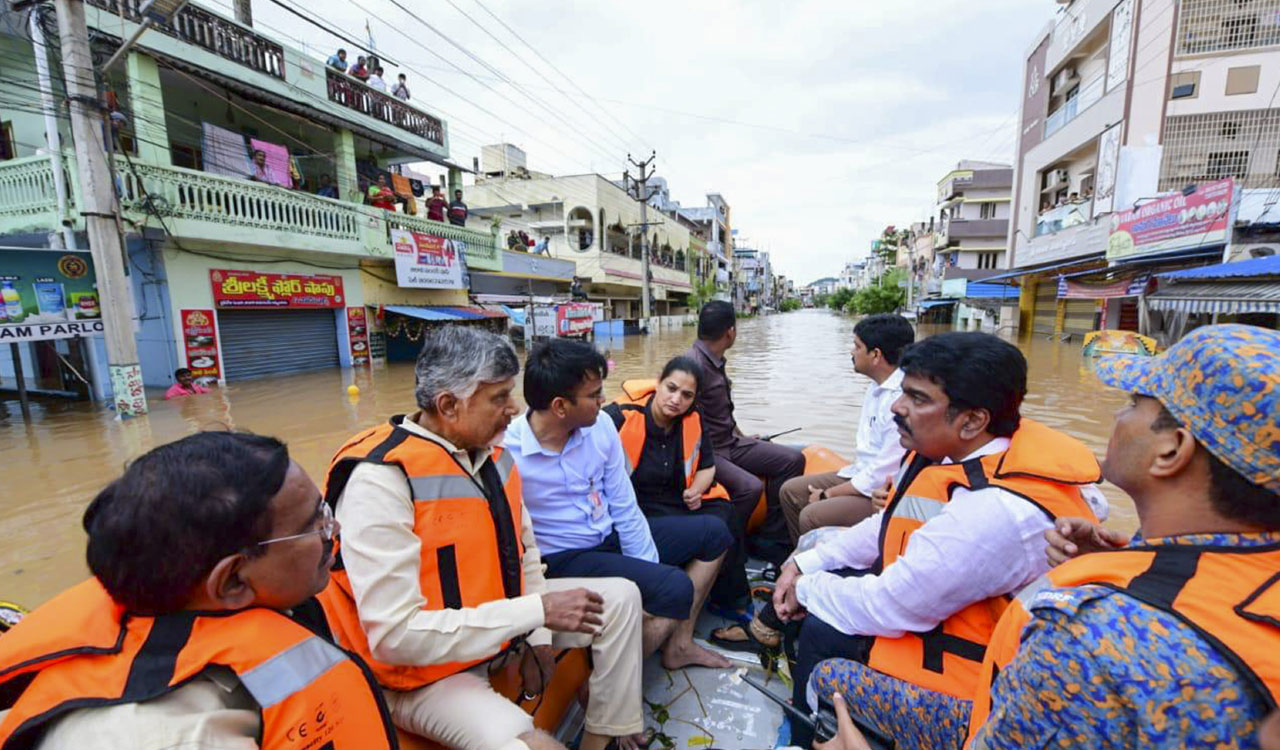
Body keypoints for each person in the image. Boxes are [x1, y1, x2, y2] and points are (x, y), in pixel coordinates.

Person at [814, 324, 1280, 750]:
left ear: (1172, 449)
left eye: (1135, 403)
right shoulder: (1240, 567)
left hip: (972, 698)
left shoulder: (1087, 639)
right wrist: (1123, 560)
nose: (1118, 416)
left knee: (827, 672)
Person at [318, 327, 646, 750]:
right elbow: (395, 636)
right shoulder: (380, 481)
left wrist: (539, 637)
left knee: (621, 598)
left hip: (495, 630)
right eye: (499, 398)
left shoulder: (494, 455)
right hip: (427, 676)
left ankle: (601, 742)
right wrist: (535, 613)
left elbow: (526, 555)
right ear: (449, 405)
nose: (515, 409)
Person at [774, 332, 1106, 748]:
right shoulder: (963, 457)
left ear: (972, 420)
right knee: (819, 562)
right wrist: (806, 565)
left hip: (978, 692)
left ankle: (810, 735)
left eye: (917, 398)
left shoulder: (992, 511)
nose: (897, 406)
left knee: (821, 630)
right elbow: (891, 524)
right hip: (947, 608)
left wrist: (803, 588)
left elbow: (888, 605)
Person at [0, 432, 398, 750]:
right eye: (316, 524)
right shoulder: (170, 736)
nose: (335, 532)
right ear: (232, 581)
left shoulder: (182, 591)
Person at [506, 339, 734, 671]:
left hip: (607, 535)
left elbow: (624, 503)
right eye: (594, 395)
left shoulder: (599, 428)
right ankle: (608, 679)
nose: (603, 401)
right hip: (564, 557)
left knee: (715, 532)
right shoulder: (507, 450)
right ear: (559, 406)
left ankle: (679, 646)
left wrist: (648, 573)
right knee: (674, 586)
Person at [686, 301, 806, 584]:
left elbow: (721, 413)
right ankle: (728, 549)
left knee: (792, 460)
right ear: (731, 332)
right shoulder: (693, 365)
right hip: (709, 451)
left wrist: (741, 435)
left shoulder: (714, 360)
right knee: (749, 488)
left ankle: (772, 539)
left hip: (731, 442)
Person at [780, 314, 914, 540]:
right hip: (861, 472)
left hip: (883, 490)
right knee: (790, 491)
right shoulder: (876, 387)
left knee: (812, 515)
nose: (852, 352)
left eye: (857, 346)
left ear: (876, 355)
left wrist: (828, 494)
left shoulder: (900, 400)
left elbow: (882, 472)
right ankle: (797, 558)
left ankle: (816, 570)